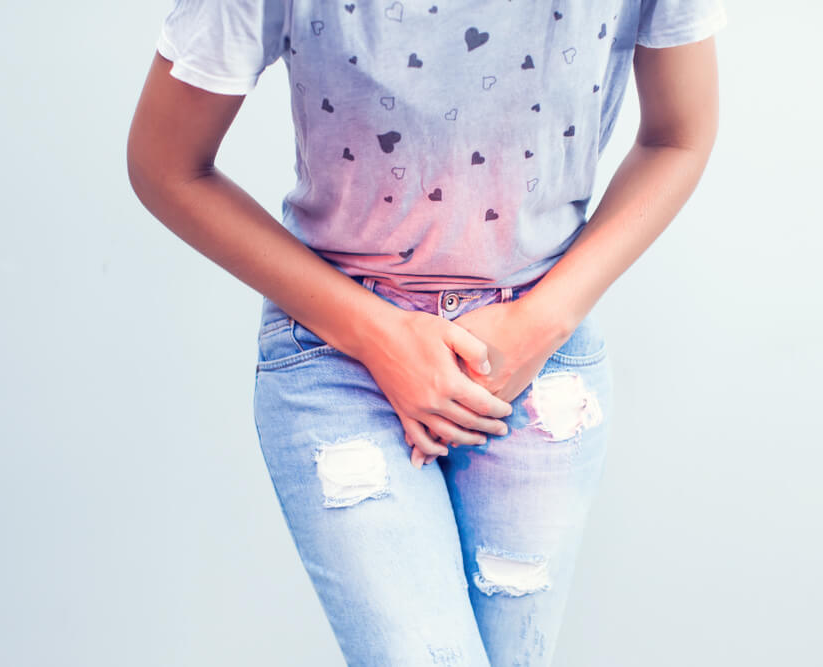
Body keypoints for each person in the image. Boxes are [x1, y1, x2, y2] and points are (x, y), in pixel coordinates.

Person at [126, 1, 726, 664]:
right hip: (339, 353)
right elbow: (165, 162)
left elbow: (680, 135)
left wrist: (539, 322)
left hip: (535, 360)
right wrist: (379, 336)